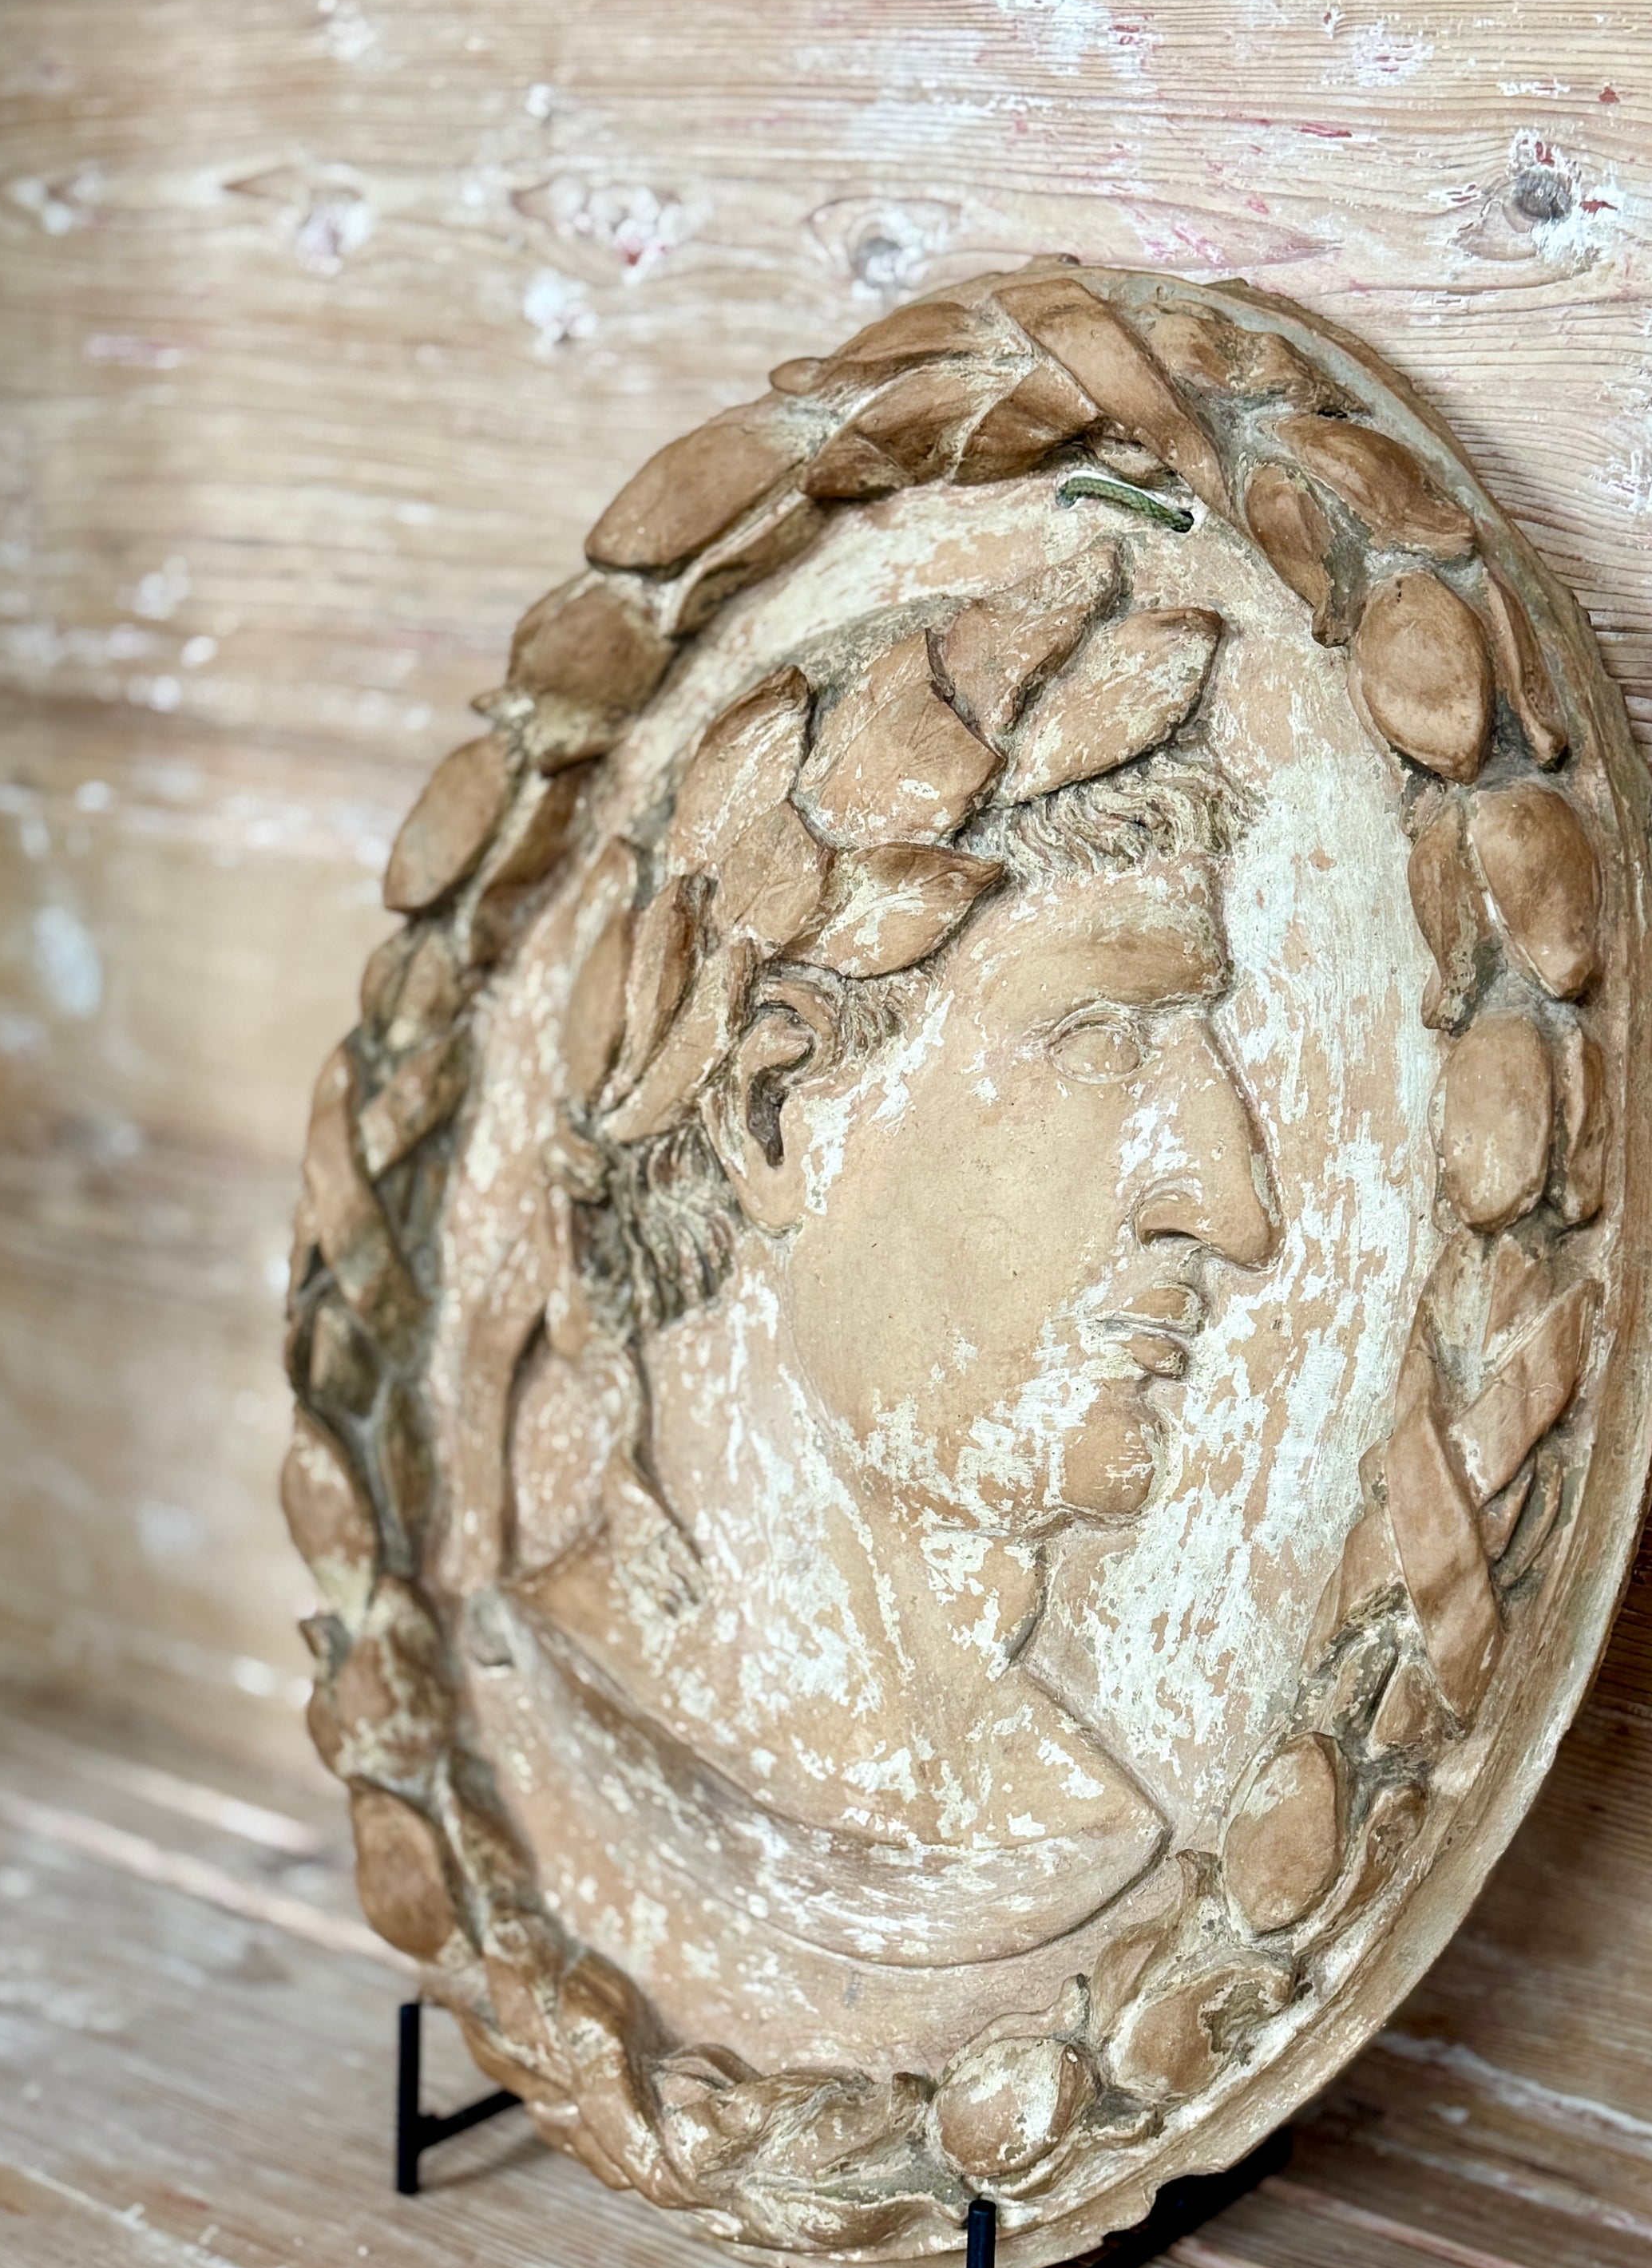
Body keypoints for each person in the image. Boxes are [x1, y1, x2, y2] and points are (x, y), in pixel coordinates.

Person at [506, 569, 1278, 1971]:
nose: (1233, 1208)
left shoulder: (1081, 1822)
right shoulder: (562, 1696)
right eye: (1105, 1034)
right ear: (773, 1108)